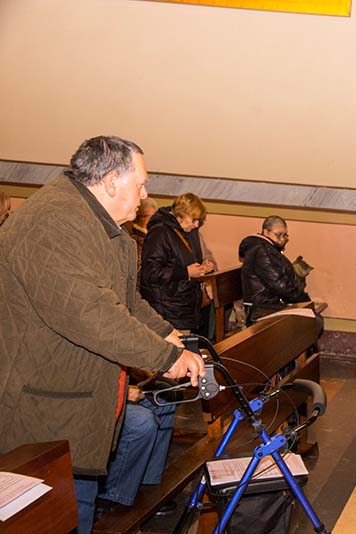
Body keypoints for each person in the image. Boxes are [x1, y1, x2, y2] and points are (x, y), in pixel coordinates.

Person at [0, 135, 205, 534]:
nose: (146, 196)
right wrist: (165, 357)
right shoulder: (56, 222)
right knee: (60, 516)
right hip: (46, 410)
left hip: (72, 403)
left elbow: (122, 300)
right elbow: (89, 312)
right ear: (111, 181)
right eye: (141, 184)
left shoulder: (91, 220)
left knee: (79, 509)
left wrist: (166, 334)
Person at [140, 193, 215, 334]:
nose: (196, 225)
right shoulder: (160, 232)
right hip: (167, 310)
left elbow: (188, 261)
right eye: (194, 220)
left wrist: (203, 266)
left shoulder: (189, 231)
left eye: (199, 220)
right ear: (181, 215)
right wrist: (186, 272)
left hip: (183, 307)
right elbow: (150, 273)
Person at [96, 381, 176, 510]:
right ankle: (112, 496)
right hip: (95, 399)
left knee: (164, 396)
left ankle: (146, 482)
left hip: (114, 386)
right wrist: (123, 392)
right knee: (141, 421)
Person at [239, 216, 314, 325]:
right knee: (312, 321)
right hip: (261, 309)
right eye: (278, 235)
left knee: (311, 320)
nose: (282, 239)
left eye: (284, 236)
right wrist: (304, 300)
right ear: (265, 231)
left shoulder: (267, 249)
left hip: (268, 305)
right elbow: (279, 285)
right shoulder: (262, 252)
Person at [124, 197, 158, 287]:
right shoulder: (133, 239)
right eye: (146, 216)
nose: (150, 220)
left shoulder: (156, 235)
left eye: (153, 216)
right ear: (138, 217)